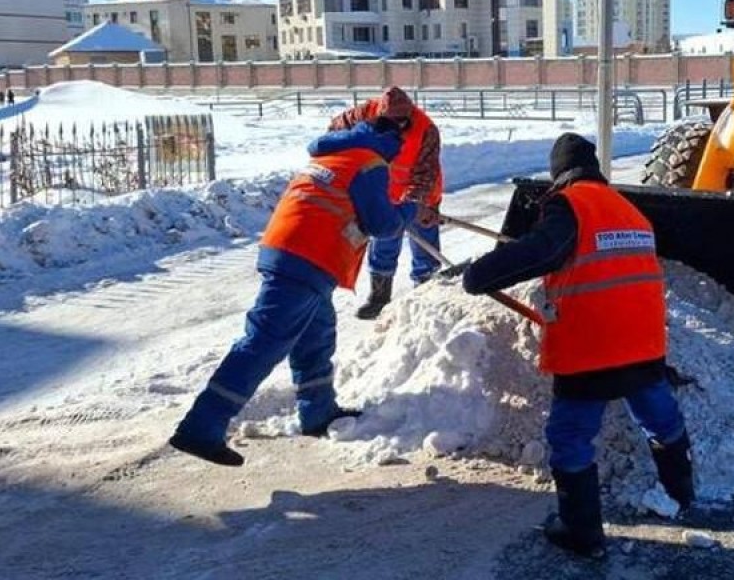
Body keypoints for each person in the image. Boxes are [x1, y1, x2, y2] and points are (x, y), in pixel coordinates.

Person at [460, 133, 694, 558]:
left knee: (570, 436)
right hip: (644, 342)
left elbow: (544, 251)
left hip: (592, 347)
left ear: (560, 175)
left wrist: (479, 275)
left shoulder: (570, 204)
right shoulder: (628, 210)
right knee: (659, 417)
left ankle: (581, 533)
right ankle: (681, 494)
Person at [169, 117, 405, 467]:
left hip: (291, 251)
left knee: (316, 335)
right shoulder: (370, 162)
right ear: (390, 140)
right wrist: (410, 209)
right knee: (263, 342)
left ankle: (318, 412)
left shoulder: (334, 154)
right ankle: (201, 428)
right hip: (308, 257)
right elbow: (382, 223)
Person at [328, 86, 444, 319]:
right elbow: (334, 132)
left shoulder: (426, 129)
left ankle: (425, 294)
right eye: (392, 122)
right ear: (381, 114)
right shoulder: (364, 114)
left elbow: (425, 174)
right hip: (385, 193)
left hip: (421, 194)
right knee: (384, 241)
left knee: (424, 245)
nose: (398, 127)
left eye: (403, 122)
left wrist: (412, 207)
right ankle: (379, 298)